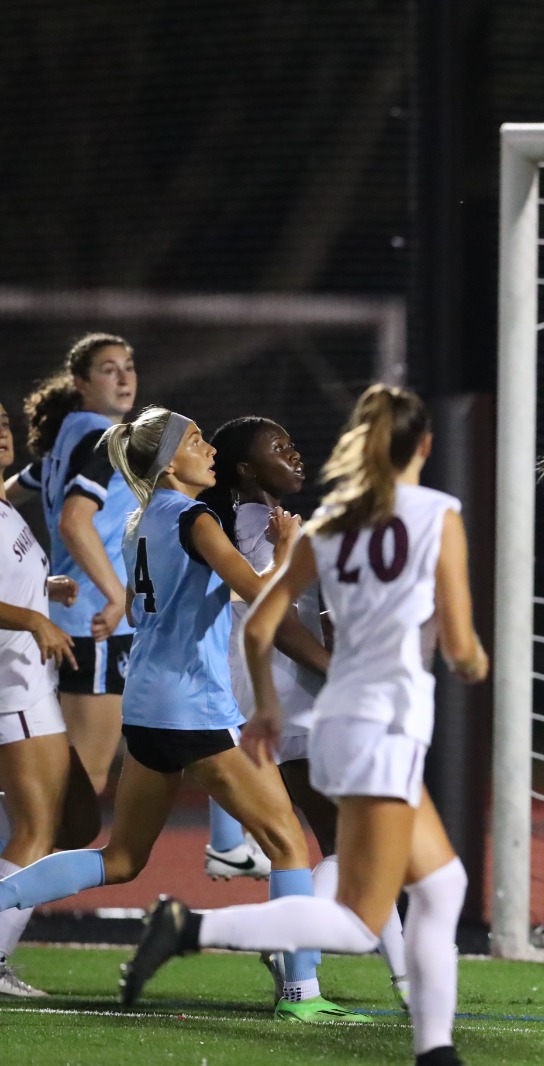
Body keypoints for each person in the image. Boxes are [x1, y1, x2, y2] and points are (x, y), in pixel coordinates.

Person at [119, 385, 488, 1066]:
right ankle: (196, 929)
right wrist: (460, 652)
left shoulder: (323, 529)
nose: (292, 454)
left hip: (331, 717)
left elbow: (263, 623)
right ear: (425, 446)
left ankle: (431, 1041)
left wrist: (262, 704)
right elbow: (463, 649)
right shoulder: (437, 513)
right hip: (379, 721)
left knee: (433, 883)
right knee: (359, 903)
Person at [0, 405, 365, 1022]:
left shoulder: (138, 520)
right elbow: (260, 597)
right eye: (196, 440)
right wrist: (285, 551)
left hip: (145, 707)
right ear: (170, 462)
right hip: (193, 708)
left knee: (120, 859)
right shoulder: (196, 518)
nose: (209, 448)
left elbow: (144, 610)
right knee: (287, 844)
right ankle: (302, 994)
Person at [198, 416, 408, 1005]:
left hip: (282, 700)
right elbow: (278, 621)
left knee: (352, 847)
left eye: (292, 442)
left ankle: (405, 979)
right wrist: (337, 668)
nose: (293, 453)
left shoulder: (263, 523)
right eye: (278, 447)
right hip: (292, 701)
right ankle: (283, 941)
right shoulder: (256, 527)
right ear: (244, 468)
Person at [5, 334, 142, 802]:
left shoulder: (67, 437)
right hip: (96, 621)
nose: (123, 377)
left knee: (49, 775)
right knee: (83, 779)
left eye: (128, 366)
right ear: (81, 382)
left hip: (68, 616)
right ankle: (30, 851)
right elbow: (73, 522)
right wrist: (117, 596)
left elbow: (12, 489)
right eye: (108, 369)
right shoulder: (105, 439)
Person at [0, 401, 99, 997]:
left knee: (69, 820)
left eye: (2, 423)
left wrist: (45, 590)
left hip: (30, 687)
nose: (1, 433)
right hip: (12, 689)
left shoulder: (5, 506)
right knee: (39, 829)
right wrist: (35, 621)